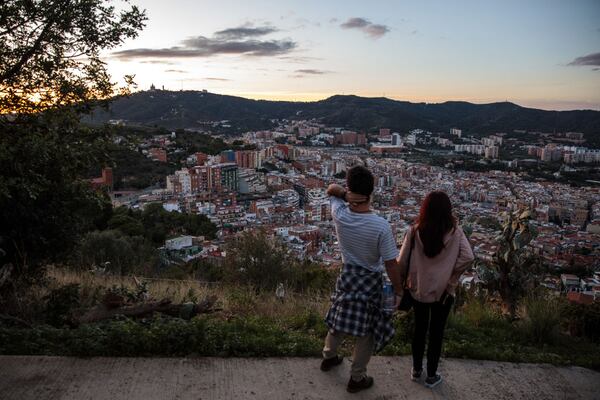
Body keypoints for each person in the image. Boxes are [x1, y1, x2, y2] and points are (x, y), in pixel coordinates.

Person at [321, 165, 404, 393]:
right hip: (370, 279)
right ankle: (357, 377)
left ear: (349, 189)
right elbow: (390, 264)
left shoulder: (339, 213)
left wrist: (345, 195)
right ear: (372, 192)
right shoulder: (381, 226)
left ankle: (328, 355)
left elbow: (331, 189)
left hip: (348, 274)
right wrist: (399, 290)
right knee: (367, 330)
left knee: (339, 314)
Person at [397, 191, 474, 388]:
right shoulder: (456, 233)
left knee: (420, 329)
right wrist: (451, 276)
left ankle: (416, 370)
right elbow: (468, 257)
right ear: (448, 212)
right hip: (444, 292)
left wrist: (402, 281)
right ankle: (431, 375)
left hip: (418, 289)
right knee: (437, 332)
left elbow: (401, 261)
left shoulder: (414, 231)